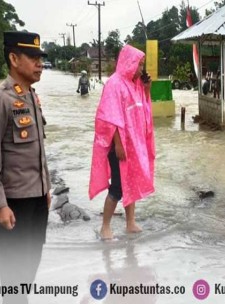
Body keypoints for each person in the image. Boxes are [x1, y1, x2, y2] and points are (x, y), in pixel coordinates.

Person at [0, 31, 50, 304]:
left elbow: (38, 150)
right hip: (14, 205)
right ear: (13, 58)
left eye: (40, 58)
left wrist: (45, 188)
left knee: (30, 268)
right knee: (14, 279)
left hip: (37, 200)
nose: (40, 63)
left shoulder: (31, 96)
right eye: (33, 57)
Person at [89, 44, 155, 240]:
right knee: (117, 186)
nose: (141, 69)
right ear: (129, 63)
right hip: (120, 146)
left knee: (131, 182)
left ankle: (130, 222)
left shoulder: (135, 85)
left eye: (142, 65)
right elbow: (111, 116)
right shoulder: (114, 84)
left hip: (133, 144)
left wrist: (146, 89)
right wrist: (118, 144)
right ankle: (105, 226)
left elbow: (142, 111)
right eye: (139, 65)